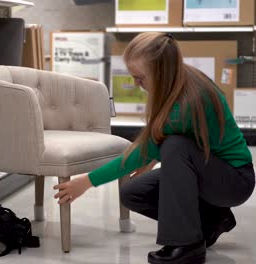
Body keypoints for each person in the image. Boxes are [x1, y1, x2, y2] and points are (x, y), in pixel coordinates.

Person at [53, 32, 255, 264]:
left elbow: (144, 151)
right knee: (133, 192)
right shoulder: (179, 80)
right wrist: (151, 158)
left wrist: (86, 182)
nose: (136, 84)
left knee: (174, 146)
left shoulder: (188, 102)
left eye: (140, 78)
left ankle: (187, 244)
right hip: (207, 169)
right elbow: (165, 137)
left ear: (162, 73)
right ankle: (212, 220)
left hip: (234, 180)